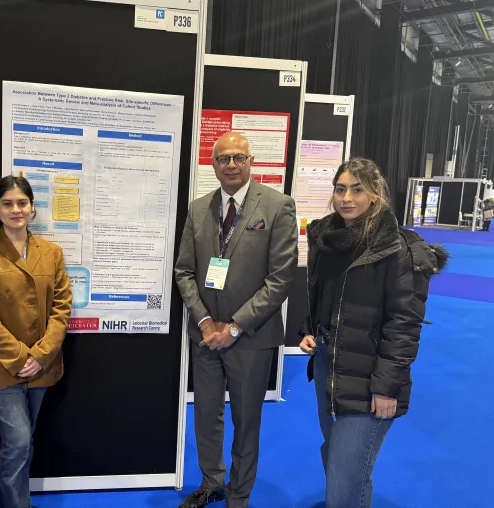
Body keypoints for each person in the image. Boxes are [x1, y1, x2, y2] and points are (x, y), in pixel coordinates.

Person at [298, 158, 448, 508]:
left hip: (369, 376)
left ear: (375, 194)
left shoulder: (397, 248)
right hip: (328, 361)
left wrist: (386, 387)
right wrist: (310, 330)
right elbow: (325, 297)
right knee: (337, 459)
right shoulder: (326, 239)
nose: (346, 198)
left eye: (357, 189)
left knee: (343, 478)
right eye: (340, 189)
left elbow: (404, 325)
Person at [175, 132, 298, 508]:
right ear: (213, 164)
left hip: (251, 337)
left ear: (251, 161)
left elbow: (280, 280)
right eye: (223, 158)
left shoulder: (277, 206)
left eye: (238, 157)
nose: (231, 164)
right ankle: (211, 482)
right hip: (205, 336)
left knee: (246, 420)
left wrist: (234, 327)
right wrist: (204, 322)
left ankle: (239, 494)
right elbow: (184, 272)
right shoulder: (199, 209)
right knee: (206, 414)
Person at [0, 175, 72, 508]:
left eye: (22, 203)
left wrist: (41, 355)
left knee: (24, 441)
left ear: (32, 207)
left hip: (42, 365)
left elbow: (62, 306)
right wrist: (21, 357)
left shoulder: (51, 253)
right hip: (0, 366)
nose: (15, 210)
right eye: (7, 204)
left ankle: (13, 497)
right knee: (19, 440)